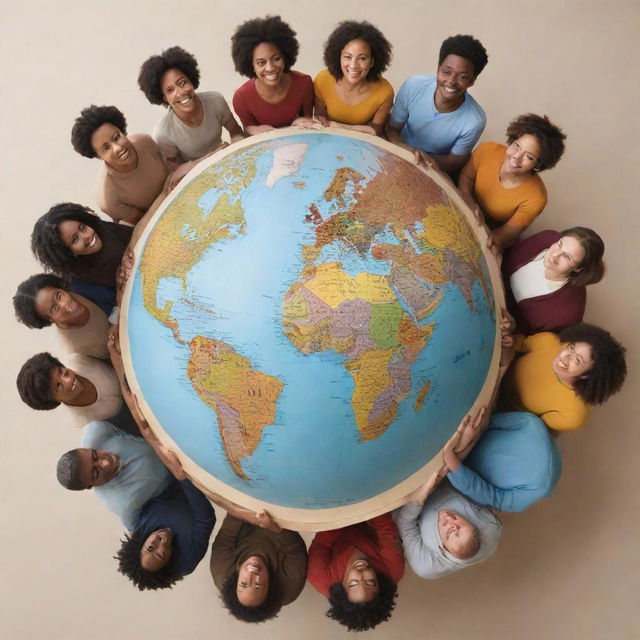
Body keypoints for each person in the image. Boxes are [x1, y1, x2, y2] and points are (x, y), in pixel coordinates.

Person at [458, 114, 567, 251]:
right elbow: (466, 178)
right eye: (517, 146)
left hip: (485, 232)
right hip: (461, 204)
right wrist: (469, 203)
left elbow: (501, 236)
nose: (517, 156)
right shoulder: (487, 150)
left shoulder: (536, 198)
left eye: (529, 157)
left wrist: (477, 226)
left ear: (539, 164)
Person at [387, 34, 488, 174]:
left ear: (472, 81)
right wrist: (406, 150)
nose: (451, 81)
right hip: (399, 151)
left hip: (434, 168)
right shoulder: (413, 86)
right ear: (438, 69)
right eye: (446, 72)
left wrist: (420, 158)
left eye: (463, 77)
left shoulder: (475, 120)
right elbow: (392, 129)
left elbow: (454, 162)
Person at [500, 323, 627, 431]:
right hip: (496, 369)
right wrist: (511, 341)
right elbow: (520, 343)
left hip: (501, 411)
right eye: (572, 347)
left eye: (577, 359)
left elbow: (531, 427)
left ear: (586, 376)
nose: (567, 355)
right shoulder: (550, 341)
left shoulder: (574, 414)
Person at [138, 45, 244, 174]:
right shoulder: (163, 132)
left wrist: (235, 151)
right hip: (197, 174)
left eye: (182, 83)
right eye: (170, 90)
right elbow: (177, 170)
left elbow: (236, 131)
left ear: (191, 80)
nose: (181, 92)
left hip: (226, 160)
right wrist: (211, 157)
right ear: (165, 98)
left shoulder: (216, 100)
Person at [56, 420, 173, 530]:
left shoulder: (96, 431)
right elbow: (136, 529)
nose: (105, 463)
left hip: (164, 433)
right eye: (96, 473)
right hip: (177, 475)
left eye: (95, 455)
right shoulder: (123, 504)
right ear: (90, 486)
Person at [114, 466, 216, 590]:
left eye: (150, 547)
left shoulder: (137, 524)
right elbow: (206, 519)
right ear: (168, 562)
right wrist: (184, 479)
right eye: (161, 555)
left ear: (141, 544)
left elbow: (156, 488)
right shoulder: (188, 558)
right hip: (205, 482)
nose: (162, 542)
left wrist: (176, 471)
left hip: (170, 470)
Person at [71, 105, 171, 225]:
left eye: (117, 137)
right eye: (106, 148)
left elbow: (170, 172)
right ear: (98, 156)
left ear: (122, 131)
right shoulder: (107, 199)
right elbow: (144, 222)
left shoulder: (144, 141)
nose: (118, 148)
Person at [445, 412, 562, 512]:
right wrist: (464, 444)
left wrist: (455, 467)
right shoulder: (532, 423)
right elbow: (486, 420)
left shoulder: (539, 488)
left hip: (463, 474)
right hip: (468, 441)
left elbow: (493, 498)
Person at [307, 513, 404, 632]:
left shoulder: (319, 577)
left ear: (342, 588)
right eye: (370, 582)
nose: (361, 573)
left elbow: (323, 538)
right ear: (380, 585)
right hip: (369, 517)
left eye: (353, 583)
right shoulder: (393, 570)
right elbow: (384, 526)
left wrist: (345, 510)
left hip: (333, 518)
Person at [502, 227, 605, 334]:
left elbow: (530, 341)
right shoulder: (547, 237)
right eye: (559, 244)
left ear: (578, 268)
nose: (554, 255)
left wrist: (512, 332)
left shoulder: (569, 313)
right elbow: (506, 251)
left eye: (567, 257)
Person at [394, 480, 502, 579]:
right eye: (458, 523)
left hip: (406, 501)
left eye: (450, 531)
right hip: (445, 481)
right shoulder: (490, 528)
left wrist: (419, 498)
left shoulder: (426, 565)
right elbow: (475, 489)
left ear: (444, 547)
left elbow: (404, 523)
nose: (450, 520)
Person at [211, 514, 308, 623]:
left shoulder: (222, 572)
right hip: (281, 523)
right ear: (270, 585)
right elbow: (295, 550)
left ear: (235, 580)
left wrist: (246, 510)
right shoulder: (289, 586)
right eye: (258, 586)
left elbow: (226, 537)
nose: (252, 575)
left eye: (244, 584)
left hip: (245, 517)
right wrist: (276, 527)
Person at [16, 351, 139, 435]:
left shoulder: (78, 359)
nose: (69, 381)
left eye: (62, 372)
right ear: (54, 400)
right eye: (58, 386)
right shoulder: (80, 422)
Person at [231, 15, 314, 134]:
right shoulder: (242, 98)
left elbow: (309, 118)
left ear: (285, 56)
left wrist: (301, 121)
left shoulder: (303, 83)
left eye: (276, 59)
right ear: (251, 66)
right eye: (261, 63)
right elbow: (248, 129)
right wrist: (258, 130)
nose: (270, 68)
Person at [314, 20, 393, 136]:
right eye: (347, 57)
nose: (353, 65)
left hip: (362, 143)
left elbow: (376, 131)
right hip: (328, 138)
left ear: (372, 62)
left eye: (362, 58)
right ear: (338, 57)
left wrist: (338, 126)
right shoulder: (323, 79)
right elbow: (321, 120)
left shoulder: (385, 90)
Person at [31, 203, 132, 289]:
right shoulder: (80, 281)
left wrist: (129, 254)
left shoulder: (101, 228)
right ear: (67, 253)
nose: (87, 235)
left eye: (82, 227)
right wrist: (120, 285)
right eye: (75, 239)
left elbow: (135, 234)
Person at [13, 273, 110, 359]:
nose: (64, 304)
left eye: (59, 296)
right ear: (50, 320)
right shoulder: (74, 348)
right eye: (55, 309)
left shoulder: (79, 286)